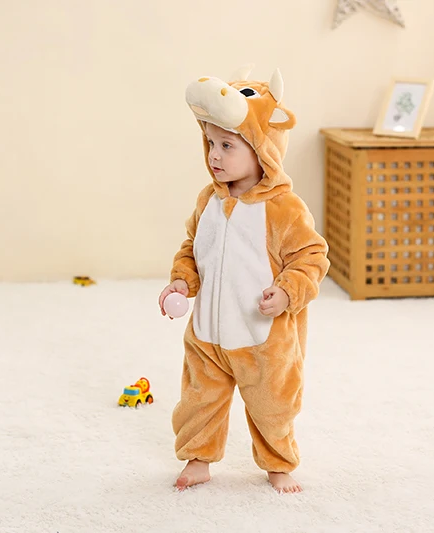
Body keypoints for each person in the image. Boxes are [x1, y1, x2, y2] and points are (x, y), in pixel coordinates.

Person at [158, 65, 330, 494]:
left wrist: (287, 292)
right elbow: (192, 247)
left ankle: (278, 464)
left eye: (227, 146)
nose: (214, 156)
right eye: (210, 143)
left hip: (263, 339)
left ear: (262, 149)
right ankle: (198, 459)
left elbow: (311, 257)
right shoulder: (208, 201)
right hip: (208, 335)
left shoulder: (283, 208)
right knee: (198, 401)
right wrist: (182, 281)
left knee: (273, 406)